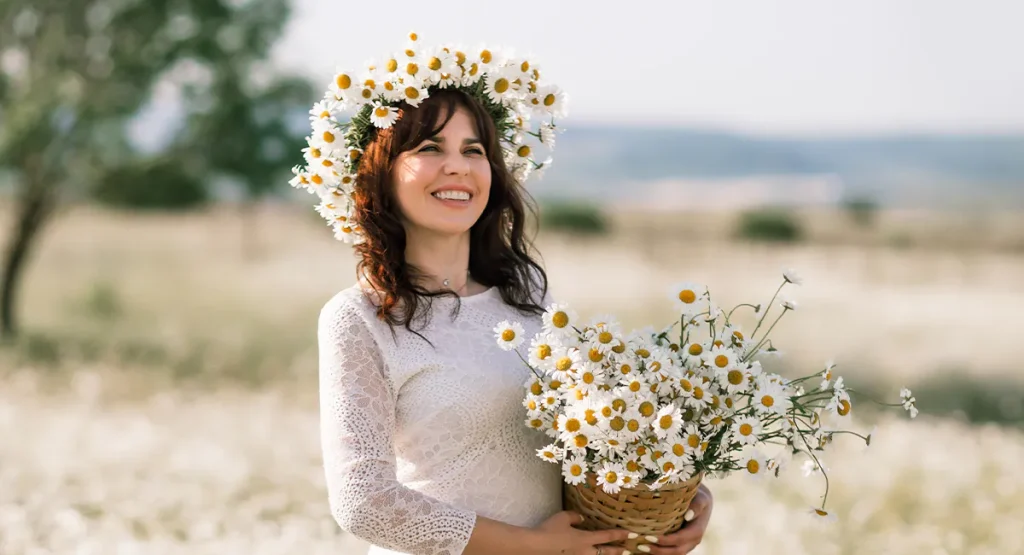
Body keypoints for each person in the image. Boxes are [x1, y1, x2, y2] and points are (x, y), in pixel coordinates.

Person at [301, 35, 714, 555]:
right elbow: (365, 502)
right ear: (380, 172)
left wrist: (680, 495)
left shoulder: (528, 298)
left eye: (474, 151)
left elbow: (588, 436)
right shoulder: (359, 317)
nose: (458, 166)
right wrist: (531, 545)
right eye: (430, 148)